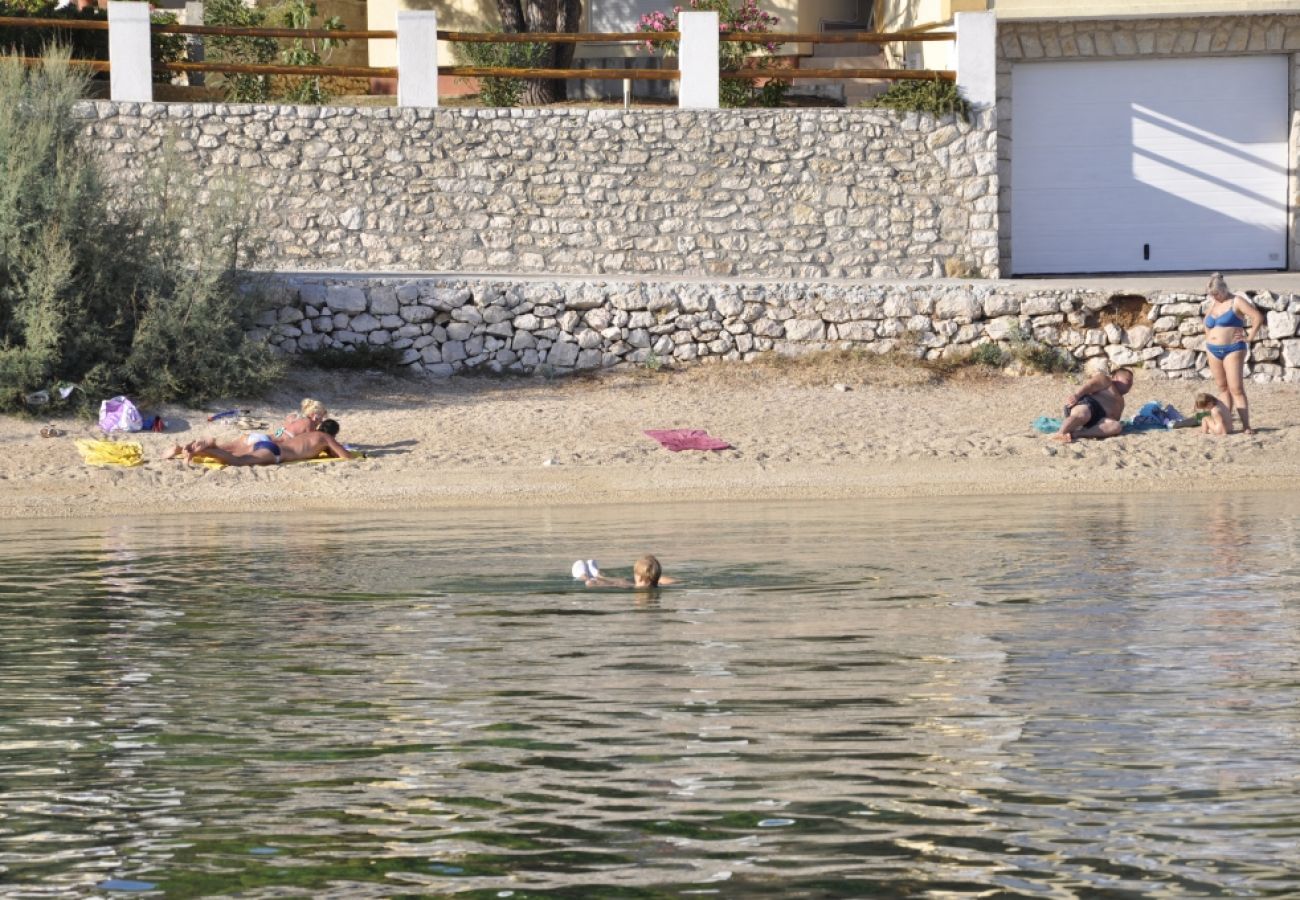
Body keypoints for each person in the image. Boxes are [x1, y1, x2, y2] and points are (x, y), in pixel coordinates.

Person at [1203, 272, 1263, 434]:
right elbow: (1206, 323)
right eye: (1211, 295)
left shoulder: (1236, 301)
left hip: (1233, 349)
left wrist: (1249, 337)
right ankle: (1226, 423)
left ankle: (1246, 425)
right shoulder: (1213, 303)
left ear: (1223, 289)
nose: (1214, 297)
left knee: (1236, 388)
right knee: (1222, 388)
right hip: (1213, 350)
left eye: (1216, 294)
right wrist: (1209, 337)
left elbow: (1257, 317)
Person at [186, 419, 351, 466]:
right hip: (274, 450)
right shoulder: (313, 429)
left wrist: (273, 435)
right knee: (237, 461)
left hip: (263, 438)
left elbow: (280, 432)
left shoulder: (293, 421)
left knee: (231, 452)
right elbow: (345, 456)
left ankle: (205, 448)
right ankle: (207, 449)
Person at [1053, 367, 1134, 442]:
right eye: (1128, 380)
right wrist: (1077, 396)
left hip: (1100, 418)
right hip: (1089, 404)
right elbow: (1090, 385)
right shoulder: (1107, 381)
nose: (1130, 383)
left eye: (1131, 382)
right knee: (1083, 414)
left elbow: (1115, 418)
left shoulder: (1121, 401)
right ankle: (1061, 433)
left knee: (1116, 426)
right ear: (1115, 377)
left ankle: (1076, 434)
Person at [585, 555, 677, 589]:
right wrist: (656, 578)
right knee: (621, 580)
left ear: (640, 577)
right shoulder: (658, 586)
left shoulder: (628, 587)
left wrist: (590, 582)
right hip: (649, 582)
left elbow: (590, 584)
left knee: (618, 582)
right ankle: (596, 574)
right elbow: (670, 581)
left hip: (629, 585)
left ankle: (588, 575)